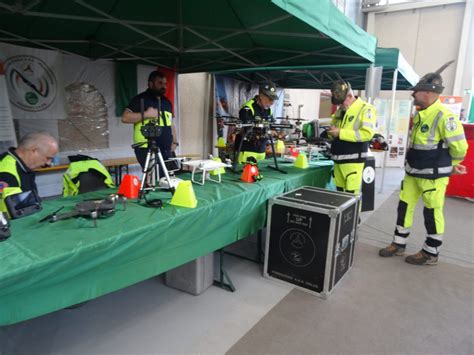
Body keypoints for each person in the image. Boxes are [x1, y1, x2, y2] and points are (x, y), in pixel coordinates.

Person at [379, 68, 468, 265]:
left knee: (432, 211)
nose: (413, 94)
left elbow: (460, 147)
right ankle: (399, 243)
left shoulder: (445, 116)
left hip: (433, 176)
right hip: (413, 172)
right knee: (404, 207)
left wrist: (450, 166)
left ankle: (431, 252)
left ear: (428, 92)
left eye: (417, 91)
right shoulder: (421, 114)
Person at [122, 70, 178, 175]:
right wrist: (146, 114)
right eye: (160, 83)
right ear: (151, 84)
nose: (164, 86)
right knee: (151, 180)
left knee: (168, 179)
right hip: (146, 148)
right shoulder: (140, 99)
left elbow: (170, 123)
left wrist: (175, 141)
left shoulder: (167, 102)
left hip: (166, 148)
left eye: (165, 83)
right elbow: (125, 117)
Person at [327, 80, 376, 196]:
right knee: (339, 197)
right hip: (338, 160)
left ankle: (355, 215)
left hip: (353, 162)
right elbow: (334, 130)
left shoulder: (366, 109)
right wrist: (331, 132)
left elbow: (367, 134)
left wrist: (340, 133)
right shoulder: (341, 111)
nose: (340, 105)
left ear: (349, 96)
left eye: (341, 102)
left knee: (350, 198)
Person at [0, 132, 58, 213]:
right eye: (48, 158)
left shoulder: (25, 166)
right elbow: (13, 213)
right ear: (34, 151)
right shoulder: (7, 173)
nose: (49, 163)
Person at [235, 82, 279, 163]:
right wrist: (268, 131)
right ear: (261, 96)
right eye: (270, 99)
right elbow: (248, 129)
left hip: (261, 151)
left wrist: (277, 132)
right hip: (247, 151)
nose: (272, 102)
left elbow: (272, 125)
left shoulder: (268, 110)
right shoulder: (247, 108)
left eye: (273, 100)